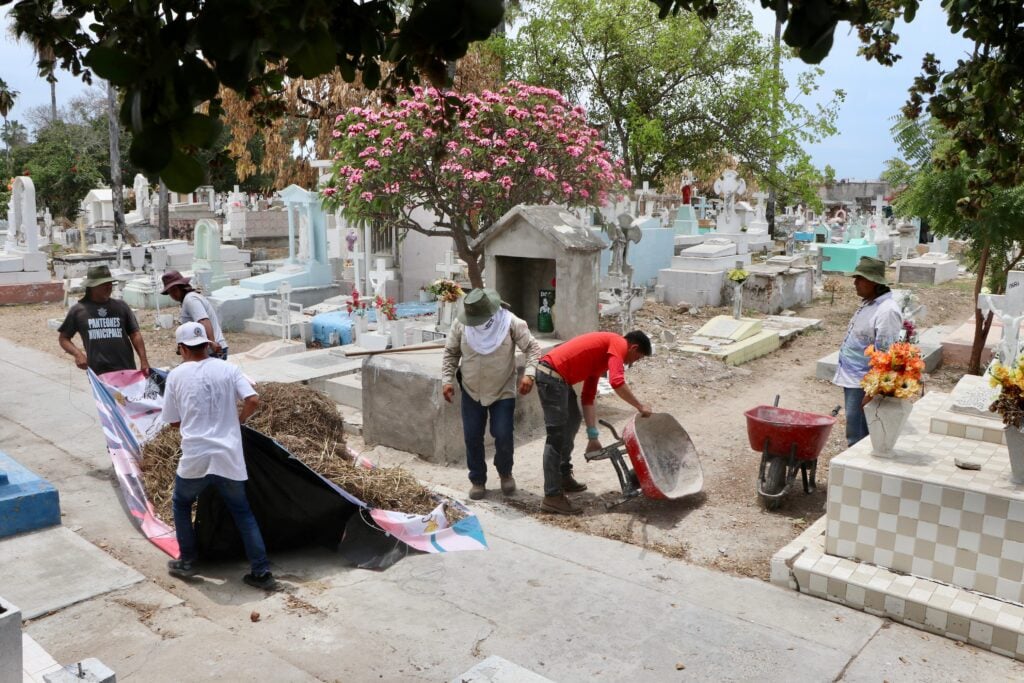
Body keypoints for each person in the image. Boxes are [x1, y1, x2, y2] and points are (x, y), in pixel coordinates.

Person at [161, 322, 276, 590]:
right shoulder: (229, 369)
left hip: (196, 456)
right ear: (206, 345)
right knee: (242, 511)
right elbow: (253, 400)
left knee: (181, 503)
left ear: (182, 349)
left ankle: (188, 561)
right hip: (228, 455)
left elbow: (173, 422)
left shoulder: (176, 376)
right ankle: (262, 572)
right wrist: (237, 421)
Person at [534, 330, 653, 515]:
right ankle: (552, 496)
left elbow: (588, 398)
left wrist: (593, 436)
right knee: (556, 437)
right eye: (636, 358)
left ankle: (563, 475)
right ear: (634, 347)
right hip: (551, 376)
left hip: (558, 379)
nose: (631, 363)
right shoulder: (618, 343)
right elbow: (617, 381)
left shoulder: (601, 358)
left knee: (573, 421)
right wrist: (640, 406)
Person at [442, 288, 541, 500]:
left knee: (503, 434)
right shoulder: (461, 325)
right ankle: (477, 479)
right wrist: (447, 380)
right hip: (471, 389)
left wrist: (530, 374)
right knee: (472, 436)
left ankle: (505, 472)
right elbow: (451, 352)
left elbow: (532, 348)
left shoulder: (510, 323)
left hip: (502, 389)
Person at [833, 256, 903, 447]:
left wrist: (871, 393)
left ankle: (856, 471)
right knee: (855, 429)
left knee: (859, 436)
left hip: (864, 383)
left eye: (860, 278)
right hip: (853, 378)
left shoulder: (886, 311)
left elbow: (886, 355)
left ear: (874, 282)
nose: (855, 283)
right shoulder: (870, 303)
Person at [58, 264, 150, 376]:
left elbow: (135, 334)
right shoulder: (78, 310)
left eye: (110, 283)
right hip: (99, 374)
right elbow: (63, 338)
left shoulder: (121, 306)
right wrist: (77, 354)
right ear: (92, 287)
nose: (109, 287)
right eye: (104, 284)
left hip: (126, 370)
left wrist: (144, 361)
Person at [161, 270, 228, 359]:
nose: (172, 295)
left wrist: (212, 343)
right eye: (169, 292)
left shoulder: (190, 300)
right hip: (204, 351)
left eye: (173, 291)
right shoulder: (187, 300)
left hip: (212, 351)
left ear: (179, 287)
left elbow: (203, 320)